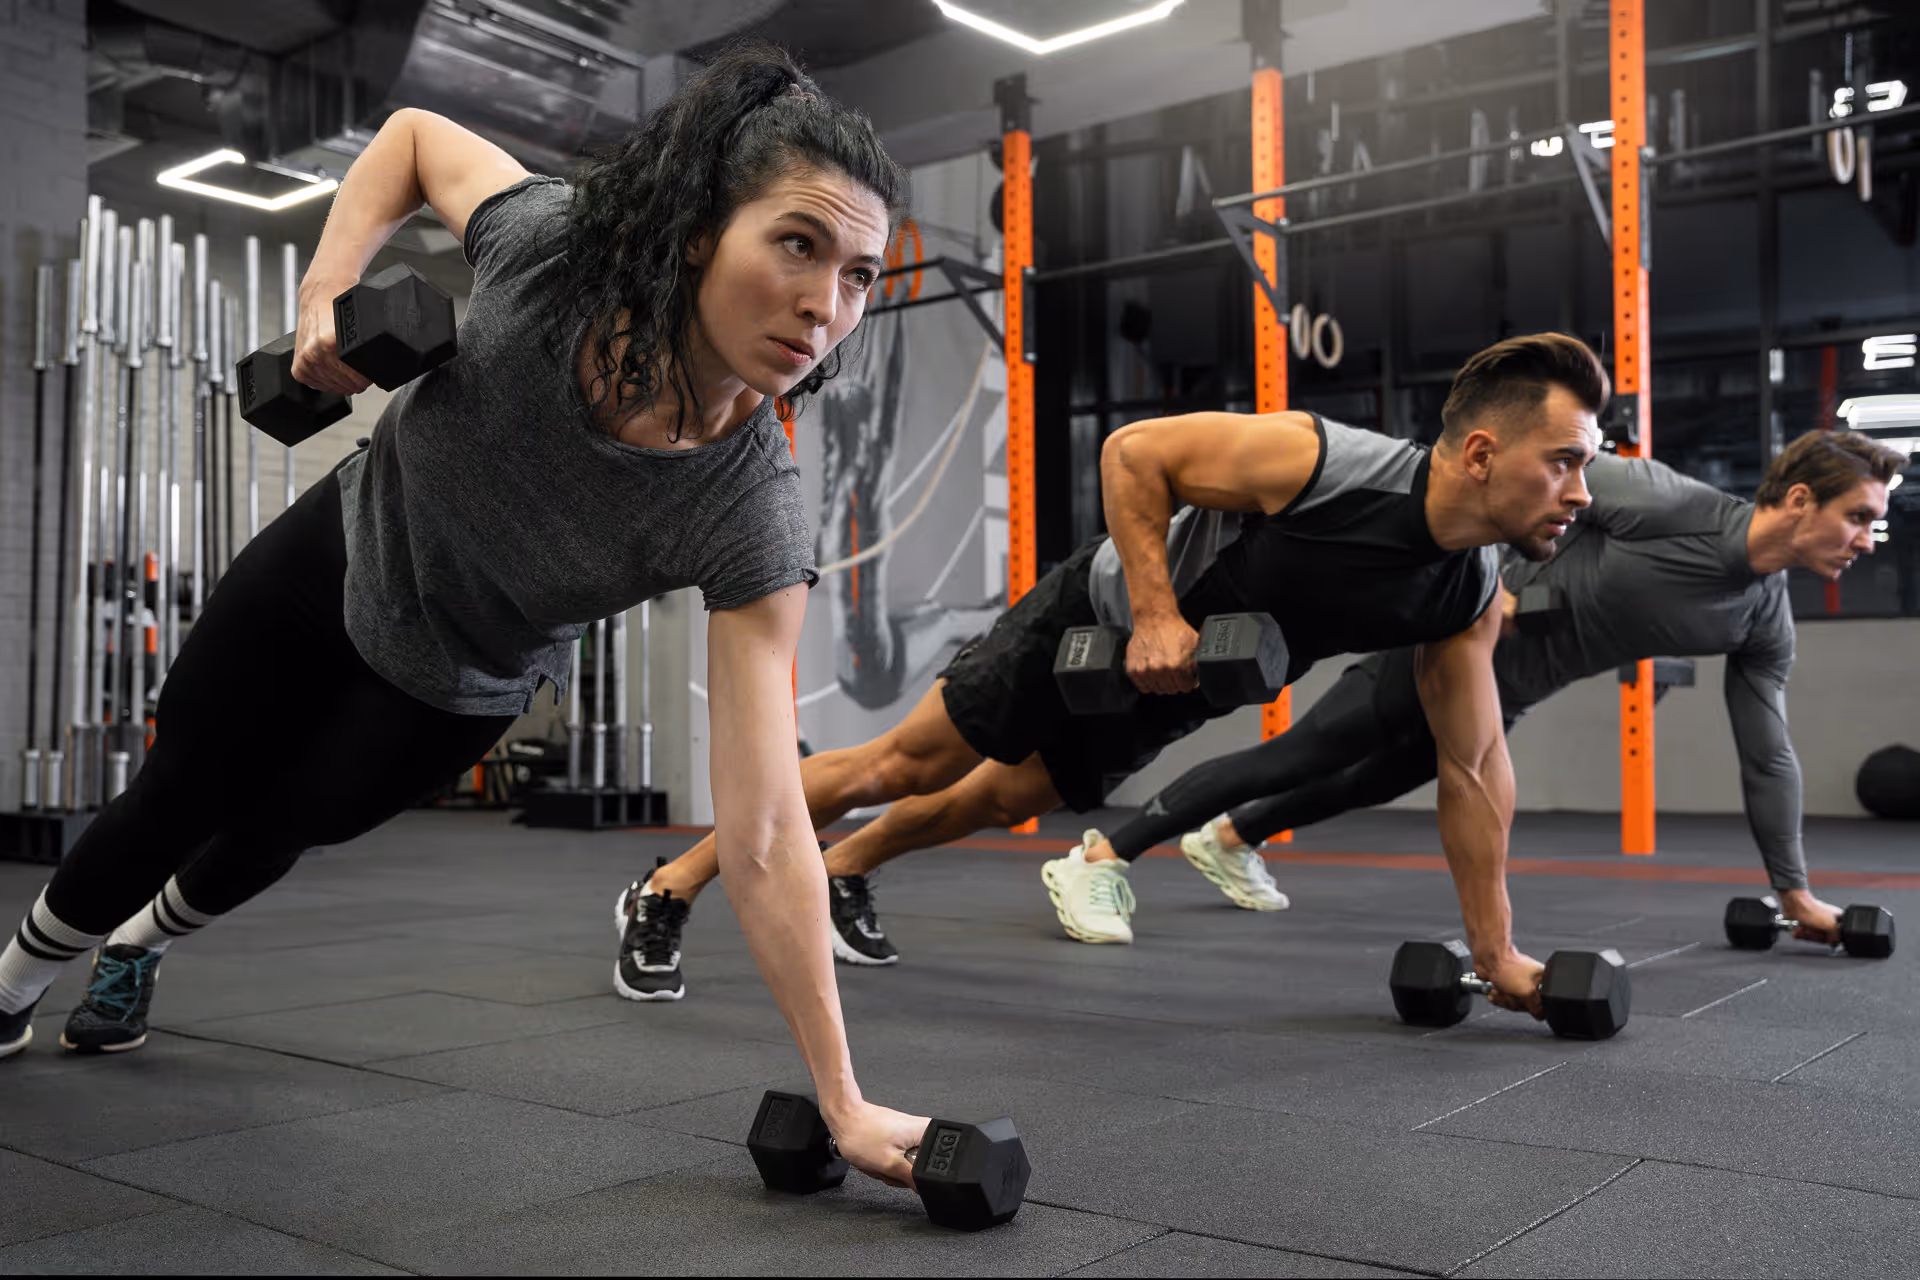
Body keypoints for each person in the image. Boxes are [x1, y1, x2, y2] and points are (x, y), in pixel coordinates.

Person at [0, 45, 932, 1186]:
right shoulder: (550, 249)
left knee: (284, 821)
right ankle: (12, 984)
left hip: (454, 680)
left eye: (858, 275)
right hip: (336, 550)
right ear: (700, 231)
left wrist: (842, 1094)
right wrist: (321, 297)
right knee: (180, 784)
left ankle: (139, 946)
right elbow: (409, 139)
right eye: (797, 242)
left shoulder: (748, 514)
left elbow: (771, 826)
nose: (822, 304)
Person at [616, 333, 1607, 1019]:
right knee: (904, 764)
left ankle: (844, 870)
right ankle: (667, 887)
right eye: (1564, 461)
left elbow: (1473, 770)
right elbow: (1139, 452)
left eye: (1587, 468)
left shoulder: (1464, 598)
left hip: (1171, 687)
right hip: (1091, 619)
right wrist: (1156, 612)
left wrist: (1497, 951)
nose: (1582, 491)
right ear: (1482, 451)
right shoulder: (1324, 462)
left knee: (995, 801)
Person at [1130, 427, 1905, 940]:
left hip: (1513, 691)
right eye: (1860, 517)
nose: (1868, 541)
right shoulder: (1674, 503)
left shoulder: (1763, 620)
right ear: (1800, 500)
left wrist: (1795, 891)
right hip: (1447, 644)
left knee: (1374, 781)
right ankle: (1105, 855)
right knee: (1305, 754)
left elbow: (1767, 757)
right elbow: (1529, 477)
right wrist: (1487, 574)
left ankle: (1231, 838)